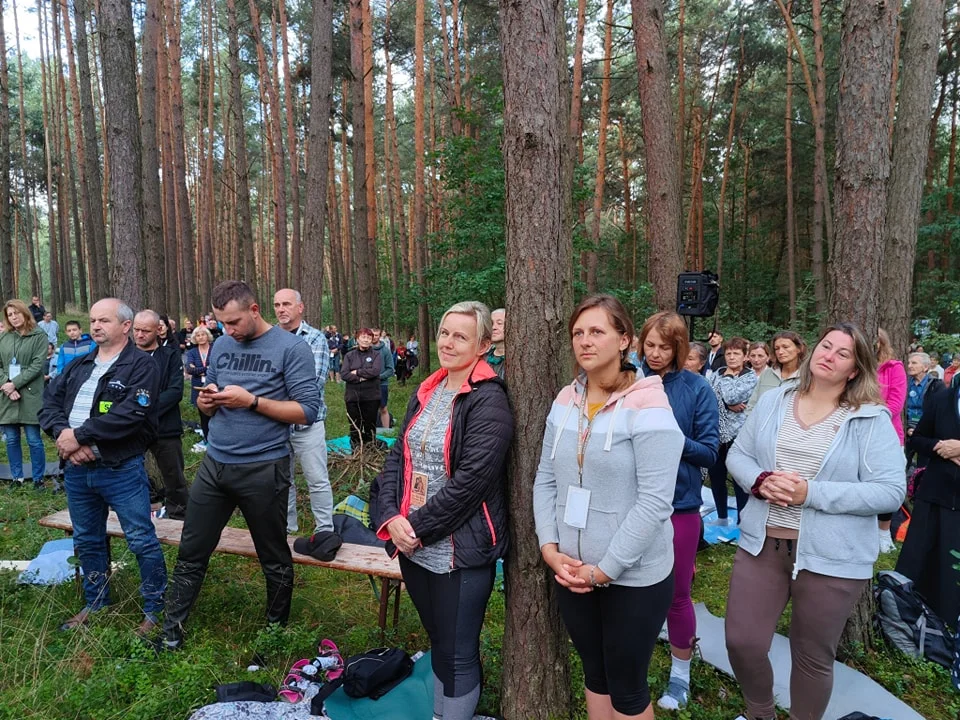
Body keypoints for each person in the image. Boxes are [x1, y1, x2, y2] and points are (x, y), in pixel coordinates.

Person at [725, 322, 905, 720]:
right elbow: (737, 453)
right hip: (763, 543)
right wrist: (759, 480)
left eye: (843, 354)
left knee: (811, 656)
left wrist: (812, 494)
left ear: (855, 370)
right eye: (826, 346)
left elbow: (890, 491)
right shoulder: (775, 400)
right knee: (742, 641)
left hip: (832, 557)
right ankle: (760, 712)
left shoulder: (869, 419)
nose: (830, 356)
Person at [533, 294, 683, 720]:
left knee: (627, 686)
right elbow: (545, 477)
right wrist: (550, 549)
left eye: (597, 331)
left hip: (634, 576)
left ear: (624, 340)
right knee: (595, 674)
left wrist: (606, 570)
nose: (585, 341)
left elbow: (655, 502)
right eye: (578, 333)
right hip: (572, 568)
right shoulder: (565, 399)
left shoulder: (649, 404)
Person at [158, 280, 320, 651]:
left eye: (233, 323)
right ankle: (170, 634)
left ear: (254, 310)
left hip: (264, 467)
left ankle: (273, 635)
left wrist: (251, 401)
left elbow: (307, 411)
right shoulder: (222, 344)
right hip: (216, 463)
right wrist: (208, 403)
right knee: (191, 549)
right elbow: (207, 397)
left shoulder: (291, 348)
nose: (228, 331)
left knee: (274, 556)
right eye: (221, 324)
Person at [372, 301, 512, 720]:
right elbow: (396, 458)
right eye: (445, 333)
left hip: (459, 550)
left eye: (461, 336)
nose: (448, 343)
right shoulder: (428, 389)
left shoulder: (489, 402)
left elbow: (471, 484)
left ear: (484, 344)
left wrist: (413, 527)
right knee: (438, 640)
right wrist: (389, 519)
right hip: (413, 545)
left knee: (458, 651)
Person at [38, 298, 166, 635]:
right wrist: (62, 436)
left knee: (140, 538)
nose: (96, 326)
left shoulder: (142, 366)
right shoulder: (79, 365)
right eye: (93, 320)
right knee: (88, 539)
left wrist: (78, 436)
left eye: (104, 320)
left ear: (125, 326)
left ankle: (155, 609)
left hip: (119, 468)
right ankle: (96, 602)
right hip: (78, 470)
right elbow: (49, 403)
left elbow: (130, 415)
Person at [637, 311, 720, 711]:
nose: (655, 354)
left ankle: (680, 676)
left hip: (679, 505)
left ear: (679, 348)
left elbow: (709, 452)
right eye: (649, 345)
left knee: (677, 593)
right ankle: (630, 665)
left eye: (664, 347)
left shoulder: (697, 388)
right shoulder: (629, 382)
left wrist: (672, 439)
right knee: (629, 589)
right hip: (631, 503)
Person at [896, 366, 960, 630]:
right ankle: (906, 615)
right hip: (934, 494)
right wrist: (940, 447)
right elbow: (918, 439)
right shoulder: (943, 398)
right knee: (919, 560)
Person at [273, 288, 333, 535]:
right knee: (282, 481)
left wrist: (274, 394)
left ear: (300, 307)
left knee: (317, 479)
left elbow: (312, 383)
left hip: (308, 424)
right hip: (276, 424)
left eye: (286, 304)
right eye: (276, 305)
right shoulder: (270, 338)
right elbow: (264, 378)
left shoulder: (316, 338)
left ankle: (325, 529)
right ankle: (287, 528)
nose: (280, 309)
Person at [133, 310, 189, 520]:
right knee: (128, 471)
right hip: (132, 425)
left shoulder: (170, 355)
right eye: (136, 330)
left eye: (145, 331)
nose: (139, 335)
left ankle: (179, 514)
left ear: (158, 330)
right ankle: (138, 508)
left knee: (173, 474)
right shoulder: (126, 355)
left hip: (165, 426)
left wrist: (147, 411)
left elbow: (175, 391)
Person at [0, 300, 51, 488]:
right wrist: (6, 385)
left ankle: (38, 479)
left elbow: (37, 366)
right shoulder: (4, 337)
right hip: (7, 396)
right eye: (10, 315)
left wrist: (15, 384)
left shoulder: (39, 335)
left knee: (33, 440)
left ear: (25, 313)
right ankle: (17, 478)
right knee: (12, 439)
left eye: (16, 313)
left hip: (30, 394)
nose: (13, 317)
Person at [708, 337, 758, 523]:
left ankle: (742, 520)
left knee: (738, 478)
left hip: (739, 434)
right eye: (728, 353)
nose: (731, 357)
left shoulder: (750, 377)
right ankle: (721, 516)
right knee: (716, 475)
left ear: (745, 357)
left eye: (736, 353)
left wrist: (728, 380)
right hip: (717, 432)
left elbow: (730, 395)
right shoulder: (716, 373)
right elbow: (709, 398)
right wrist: (727, 405)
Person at [876, 328, 907, 553]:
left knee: (888, 485)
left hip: (888, 433)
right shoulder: (856, 368)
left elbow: (896, 403)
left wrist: (868, 415)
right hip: (856, 436)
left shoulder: (894, 368)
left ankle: (884, 532)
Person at [747, 330, 806, 414]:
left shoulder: (807, 377)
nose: (780, 352)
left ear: (799, 349)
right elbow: (752, 405)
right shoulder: (767, 374)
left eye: (785, 347)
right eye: (776, 348)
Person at [341, 328, 382, 451]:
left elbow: (375, 371)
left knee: (370, 425)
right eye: (363, 337)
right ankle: (356, 449)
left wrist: (357, 372)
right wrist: (361, 378)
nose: (366, 340)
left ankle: (371, 449)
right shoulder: (349, 355)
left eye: (369, 338)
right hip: (353, 397)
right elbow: (344, 374)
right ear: (357, 339)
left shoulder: (376, 355)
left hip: (371, 397)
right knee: (354, 425)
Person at [905, 352, 942, 470]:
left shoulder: (936, 385)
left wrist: (920, 429)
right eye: (909, 363)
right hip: (906, 428)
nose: (909, 366)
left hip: (926, 433)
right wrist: (907, 427)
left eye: (914, 363)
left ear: (925, 367)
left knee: (923, 469)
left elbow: (939, 412)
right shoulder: (904, 382)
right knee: (901, 465)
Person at [184, 326, 214, 450]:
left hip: (213, 385)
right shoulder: (192, 352)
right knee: (203, 414)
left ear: (208, 336)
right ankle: (207, 440)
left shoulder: (214, 349)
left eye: (203, 334)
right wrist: (206, 369)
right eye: (198, 335)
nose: (201, 337)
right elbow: (190, 369)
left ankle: (216, 437)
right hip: (198, 386)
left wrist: (199, 370)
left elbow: (216, 366)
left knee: (215, 413)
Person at [372, 327, 396, 430]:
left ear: (380, 336)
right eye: (372, 335)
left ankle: (386, 431)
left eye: (376, 335)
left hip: (382, 384)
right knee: (369, 409)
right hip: (367, 385)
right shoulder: (363, 350)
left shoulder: (385, 351)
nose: (374, 337)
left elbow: (390, 369)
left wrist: (378, 377)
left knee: (383, 408)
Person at [486, 308, 506, 379]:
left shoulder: (519, 359)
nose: (494, 327)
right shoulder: (483, 357)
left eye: (499, 323)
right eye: (491, 323)